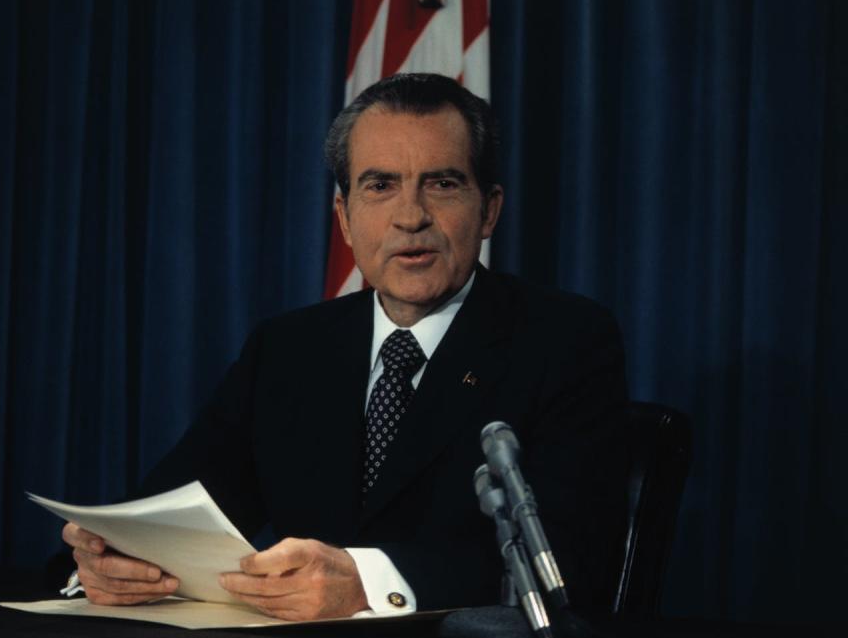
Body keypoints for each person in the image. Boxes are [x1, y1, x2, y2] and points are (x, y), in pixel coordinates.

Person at [61, 73, 629, 621]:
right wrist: (108, 562)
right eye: (380, 186)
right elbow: (165, 516)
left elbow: (570, 563)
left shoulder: (565, 341)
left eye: (442, 183)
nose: (410, 217)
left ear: (489, 211)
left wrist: (367, 582)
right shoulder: (287, 349)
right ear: (345, 218)